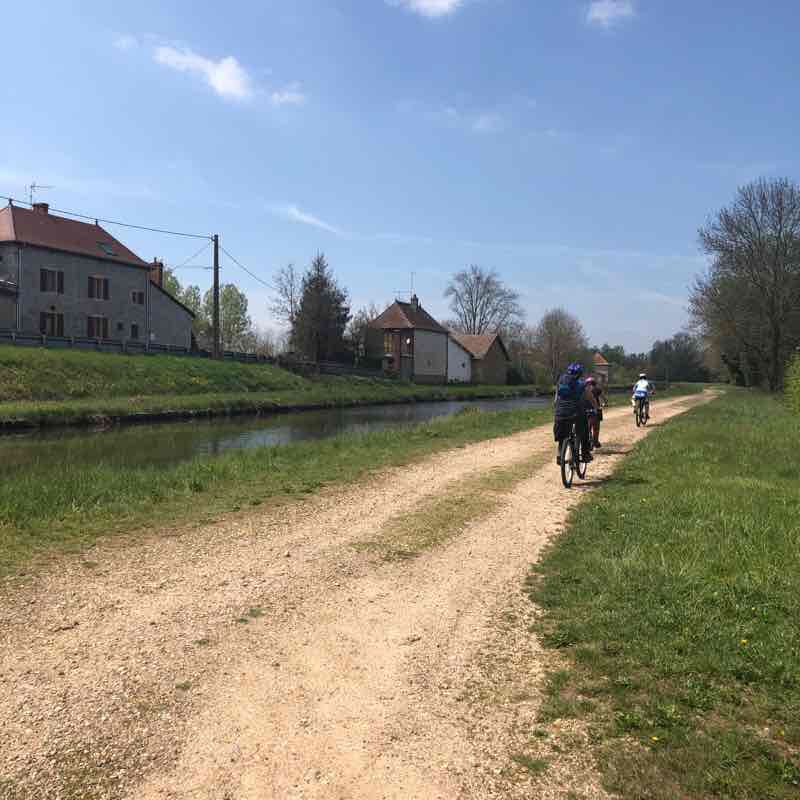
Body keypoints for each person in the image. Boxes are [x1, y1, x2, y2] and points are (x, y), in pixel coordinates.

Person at [554, 362, 592, 464]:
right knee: (584, 431)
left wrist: (557, 407)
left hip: (560, 411)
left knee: (562, 434)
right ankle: (585, 455)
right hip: (575, 412)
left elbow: (556, 397)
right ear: (580, 374)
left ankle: (559, 455)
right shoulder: (580, 383)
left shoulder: (561, 380)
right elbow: (588, 397)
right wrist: (595, 408)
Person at [586, 376, 604, 448]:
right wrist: (605, 403)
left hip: (585, 409)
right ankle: (595, 442)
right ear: (595, 383)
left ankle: (587, 441)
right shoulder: (598, 389)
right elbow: (604, 398)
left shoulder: (584, 389)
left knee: (587, 427)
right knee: (596, 428)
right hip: (595, 409)